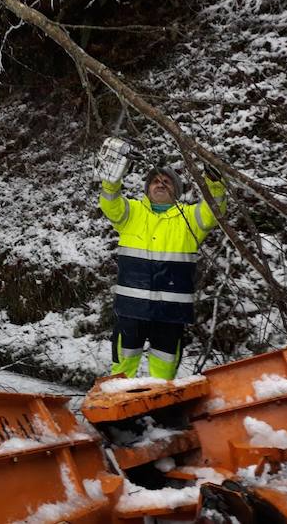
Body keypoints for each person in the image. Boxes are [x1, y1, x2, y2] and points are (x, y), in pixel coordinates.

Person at [97, 139, 227, 380]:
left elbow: (214, 209)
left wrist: (216, 184)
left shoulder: (190, 218)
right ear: (147, 190)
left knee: (163, 376)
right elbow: (109, 202)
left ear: (176, 191)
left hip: (171, 312)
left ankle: (160, 412)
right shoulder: (131, 212)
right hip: (131, 308)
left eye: (166, 182)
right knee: (121, 374)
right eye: (155, 181)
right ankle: (117, 414)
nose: (160, 184)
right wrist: (112, 178)